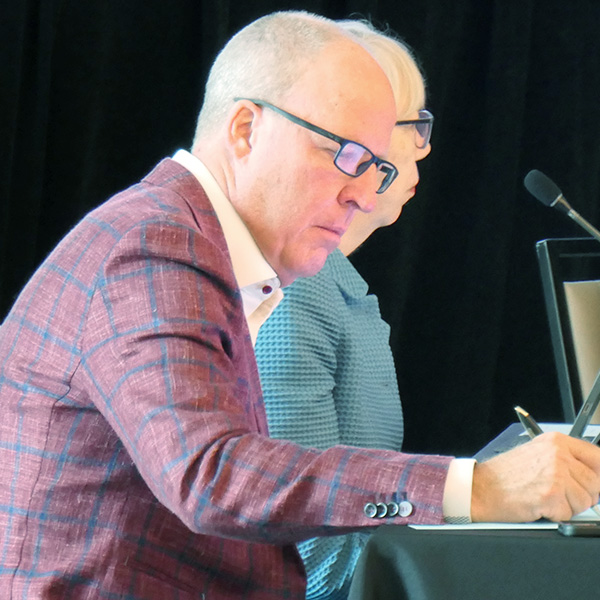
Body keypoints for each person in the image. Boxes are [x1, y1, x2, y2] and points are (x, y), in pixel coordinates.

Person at [0, 9, 599, 600]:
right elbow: (212, 476)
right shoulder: (156, 246)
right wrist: (479, 488)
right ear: (245, 129)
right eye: (345, 155)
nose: (363, 196)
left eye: (375, 168)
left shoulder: (192, 243)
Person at [255, 20, 431, 600]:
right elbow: (310, 549)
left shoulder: (333, 281)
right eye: (414, 125)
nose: (424, 147)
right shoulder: (296, 291)